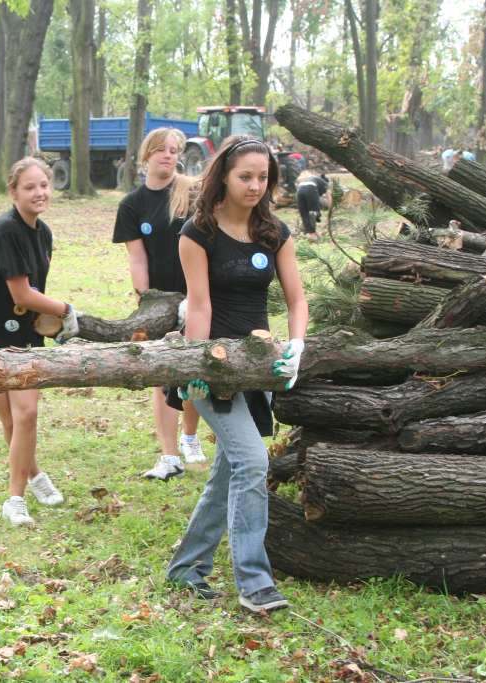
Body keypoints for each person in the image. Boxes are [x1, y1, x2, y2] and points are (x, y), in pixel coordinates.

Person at [165, 136, 308, 613]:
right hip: (213, 365)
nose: (255, 185)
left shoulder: (275, 232)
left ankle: (187, 568)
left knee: (229, 470)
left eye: (263, 177)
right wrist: (192, 370)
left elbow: (296, 300)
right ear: (223, 174)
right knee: (252, 462)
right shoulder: (197, 233)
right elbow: (199, 305)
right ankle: (254, 582)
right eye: (245, 176)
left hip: (258, 366)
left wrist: (297, 347)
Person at [0, 158, 75, 526]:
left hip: (22, 332)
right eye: (30, 187)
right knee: (18, 415)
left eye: (44, 184)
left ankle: (30, 478)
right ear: (13, 192)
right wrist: (68, 310)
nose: (40, 192)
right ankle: (16, 497)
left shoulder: (44, 233)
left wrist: (49, 318)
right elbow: (22, 294)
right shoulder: (6, 230)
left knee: (22, 415)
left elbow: (33, 292)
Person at [112, 128, 206, 481]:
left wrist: (197, 298)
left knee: (195, 368)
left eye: (174, 150)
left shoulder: (191, 193)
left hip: (197, 297)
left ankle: (190, 435)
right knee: (162, 376)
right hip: (159, 300)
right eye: (161, 150)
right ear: (146, 154)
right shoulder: (132, 205)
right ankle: (169, 456)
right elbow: (137, 259)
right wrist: (147, 301)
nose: (168, 155)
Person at [295, 171, 331, 240]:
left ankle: (311, 232)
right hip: (310, 188)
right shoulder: (324, 182)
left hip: (299, 190)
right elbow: (329, 196)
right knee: (314, 212)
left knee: (304, 213)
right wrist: (330, 208)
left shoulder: (310, 180)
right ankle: (312, 234)